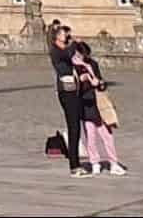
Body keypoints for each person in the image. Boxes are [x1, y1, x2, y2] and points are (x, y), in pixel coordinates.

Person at [72, 41, 125, 175]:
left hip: (98, 103)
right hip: (85, 104)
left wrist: (98, 82)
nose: (83, 57)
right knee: (90, 136)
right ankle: (94, 161)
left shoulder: (92, 64)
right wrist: (81, 80)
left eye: (85, 55)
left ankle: (113, 162)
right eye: (81, 54)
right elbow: (72, 88)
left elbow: (101, 83)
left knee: (107, 135)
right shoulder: (73, 67)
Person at [49, 24, 88, 176]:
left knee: (76, 126)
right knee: (73, 126)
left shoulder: (65, 49)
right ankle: (74, 165)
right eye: (64, 33)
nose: (66, 35)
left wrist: (79, 45)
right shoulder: (56, 51)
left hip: (74, 89)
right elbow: (67, 54)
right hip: (66, 91)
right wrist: (73, 43)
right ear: (57, 36)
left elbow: (80, 53)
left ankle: (76, 162)